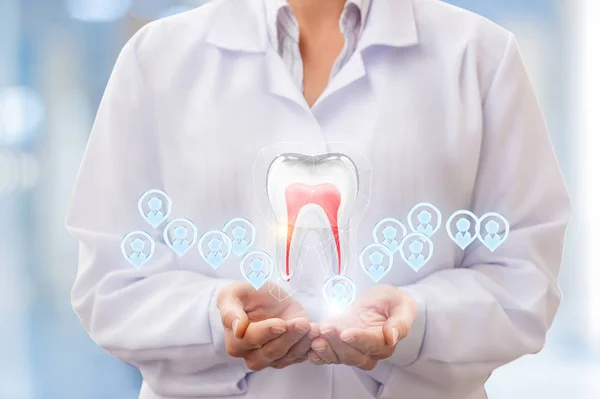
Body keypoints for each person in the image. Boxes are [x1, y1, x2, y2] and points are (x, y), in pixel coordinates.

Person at [65, 0, 572, 398]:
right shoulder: (157, 59)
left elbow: (523, 281)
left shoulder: (479, 55)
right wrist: (210, 315)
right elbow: (111, 284)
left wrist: (419, 319)